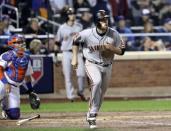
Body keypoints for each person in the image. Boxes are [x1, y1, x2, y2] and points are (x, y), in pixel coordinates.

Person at [72, 10, 125, 129]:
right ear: (97, 22)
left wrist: (112, 48)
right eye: (102, 20)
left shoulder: (114, 34)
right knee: (96, 82)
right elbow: (75, 40)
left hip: (107, 65)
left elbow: (122, 51)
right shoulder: (87, 33)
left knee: (101, 93)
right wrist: (74, 57)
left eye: (106, 19)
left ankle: (93, 113)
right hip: (91, 63)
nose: (105, 22)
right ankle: (91, 114)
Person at [0, 34, 40, 120]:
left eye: (22, 42)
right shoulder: (6, 56)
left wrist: (30, 91)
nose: (21, 44)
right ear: (11, 44)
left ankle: (4, 107)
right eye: (18, 42)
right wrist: (5, 83)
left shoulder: (26, 57)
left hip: (14, 88)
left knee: (14, 115)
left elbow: (27, 76)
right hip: (3, 82)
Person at [55, 7, 86, 102]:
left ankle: (80, 91)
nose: (72, 15)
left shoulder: (79, 26)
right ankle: (70, 97)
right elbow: (57, 42)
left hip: (77, 52)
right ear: (67, 16)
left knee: (81, 74)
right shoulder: (62, 28)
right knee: (68, 75)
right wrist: (55, 56)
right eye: (70, 14)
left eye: (73, 13)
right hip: (66, 52)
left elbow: (84, 41)